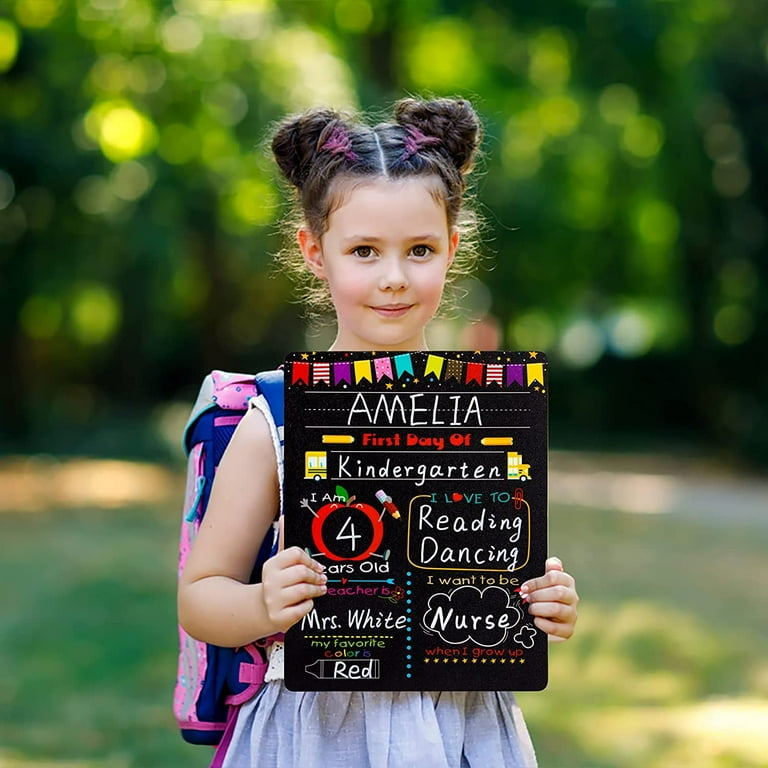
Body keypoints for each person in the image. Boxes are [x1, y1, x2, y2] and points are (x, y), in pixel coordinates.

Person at [178, 97, 579, 768]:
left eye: (419, 249)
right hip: (316, 730)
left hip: (463, 728)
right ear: (315, 252)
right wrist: (262, 603)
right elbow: (201, 595)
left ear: (452, 248)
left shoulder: (489, 410)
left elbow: (491, 556)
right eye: (364, 250)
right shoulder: (276, 416)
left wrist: (546, 600)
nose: (394, 277)